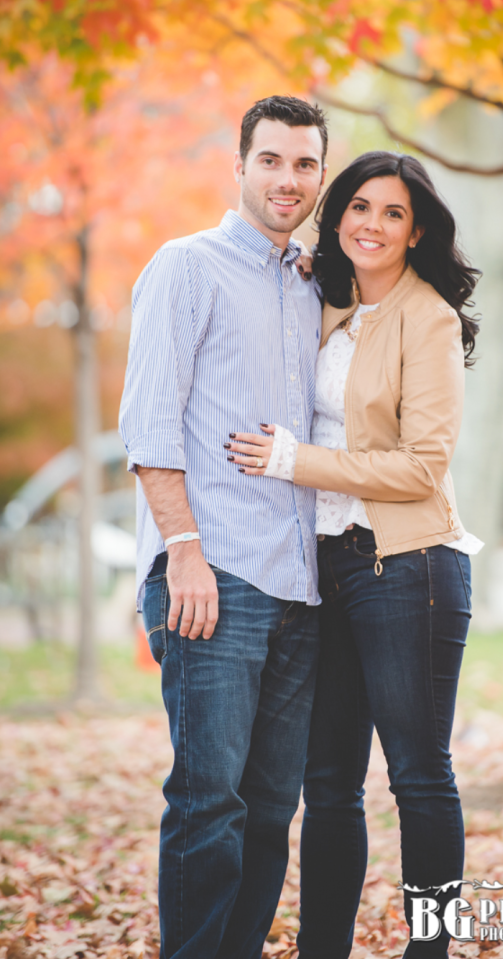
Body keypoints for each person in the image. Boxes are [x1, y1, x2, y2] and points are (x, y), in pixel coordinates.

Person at [227, 150, 483, 959]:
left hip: (410, 567)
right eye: (361, 207)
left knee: (416, 774)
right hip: (329, 569)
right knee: (327, 784)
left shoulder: (429, 318)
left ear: (416, 232)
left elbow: (420, 468)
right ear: (337, 215)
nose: (373, 224)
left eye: (393, 213)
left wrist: (292, 460)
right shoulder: (326, 306)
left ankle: (430, 949)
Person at [118, 95, 328, 959]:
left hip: (299, 588)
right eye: (271, 160)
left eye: (304, 164)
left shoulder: (315, 285)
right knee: (209, 800)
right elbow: (149, 423)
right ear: (237, 166)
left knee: (273, 804)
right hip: (213, 579)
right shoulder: (187, 266)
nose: (287, 179)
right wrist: (183, 555)